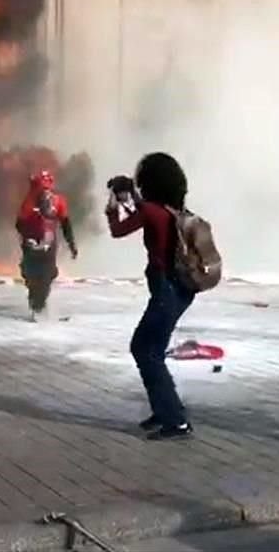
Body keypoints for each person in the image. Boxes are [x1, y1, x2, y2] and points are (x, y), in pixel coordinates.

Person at [106, 153, 194, 440]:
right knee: (150, 350)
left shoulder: (151, 210)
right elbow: (139, 210)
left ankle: (175, 420)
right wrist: (128, 195)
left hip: (166, 289)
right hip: (180, 290)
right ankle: (164, 410)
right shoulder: (174, 210)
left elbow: (120, 229)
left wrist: (112, 205)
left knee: (146, 351)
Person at [15, 170, 77, 321]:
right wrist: (28, 239)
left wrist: (71, 244)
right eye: (42, 189)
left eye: (48, 189)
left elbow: (65, 224)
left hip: (49, 245)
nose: (46, 194)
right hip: (31, 244)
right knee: (32, 274)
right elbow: (19, 224)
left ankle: (40, 305)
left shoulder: (59, 202)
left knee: (48, 274)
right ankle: (36, 304)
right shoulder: (29, 203)